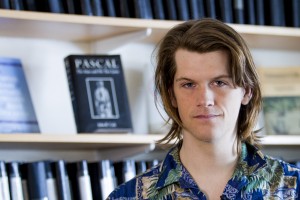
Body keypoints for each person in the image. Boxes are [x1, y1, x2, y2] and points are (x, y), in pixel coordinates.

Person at [107, 18, 300, 199]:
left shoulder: (295, 189)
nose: (205, 100)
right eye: (189, 85)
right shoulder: (128, 196)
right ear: (172, 95)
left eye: (219, 82)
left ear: (246, 91)